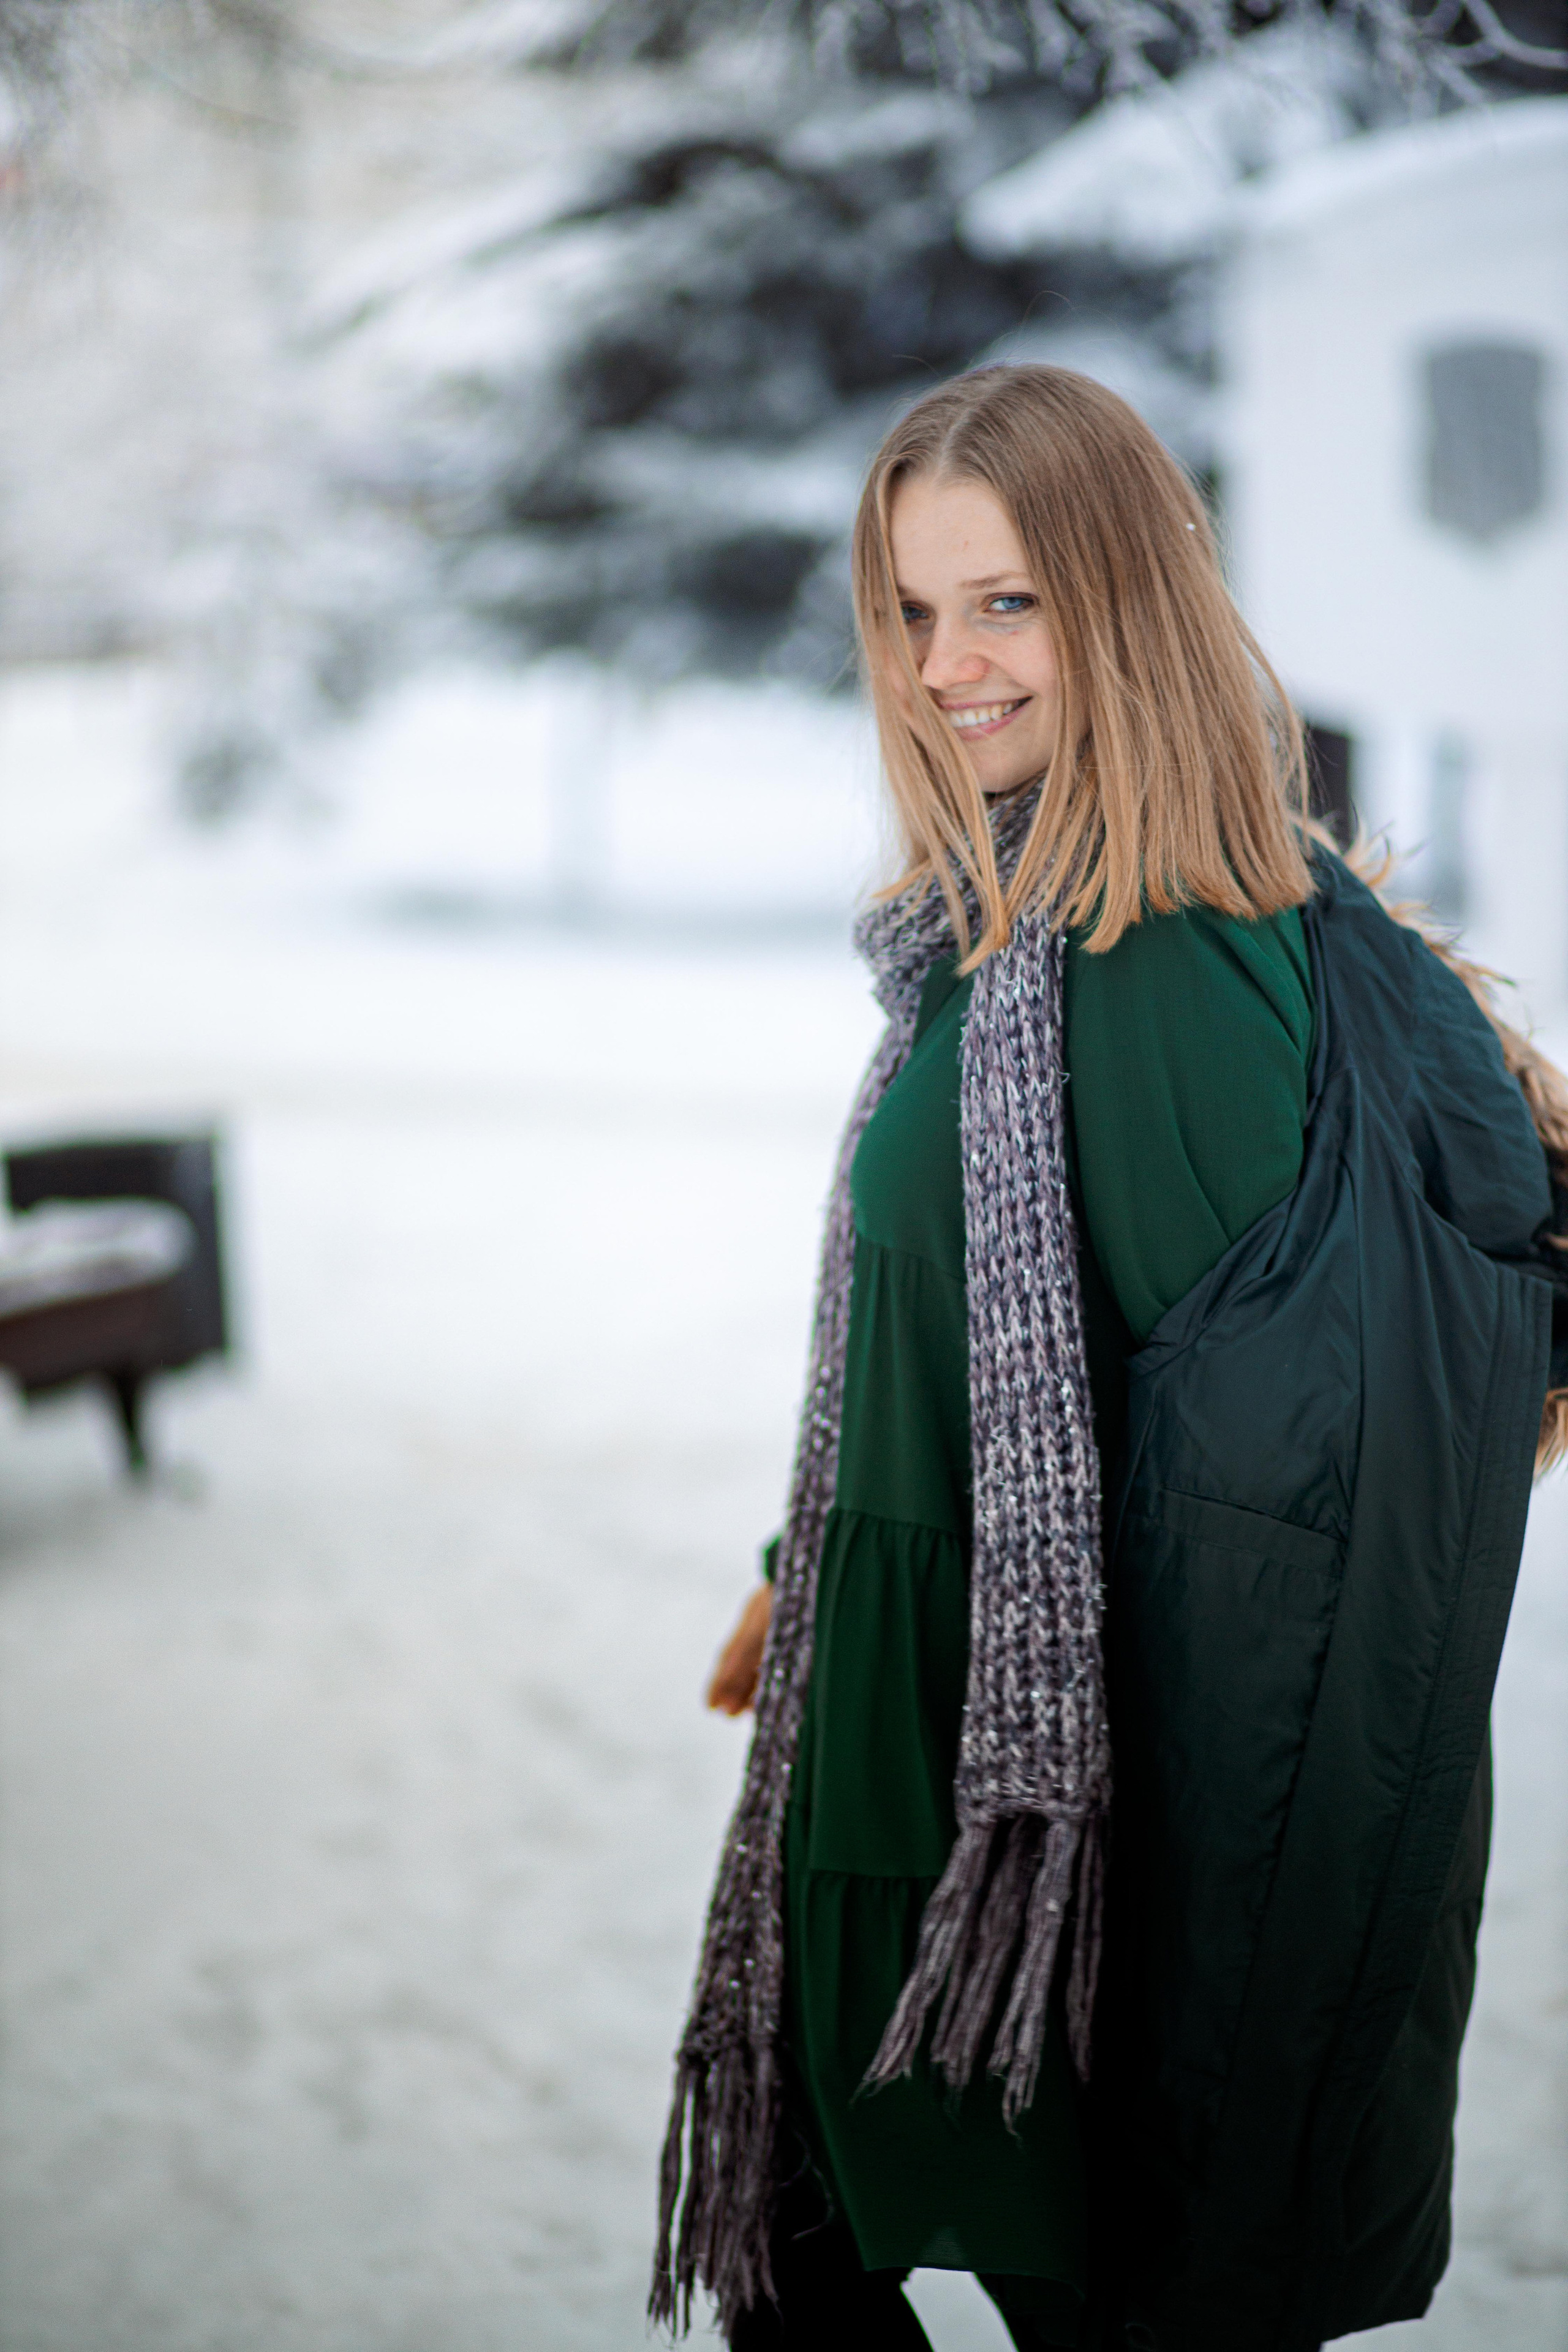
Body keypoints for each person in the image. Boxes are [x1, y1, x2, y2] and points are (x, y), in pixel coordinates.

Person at [650, 365, 1568, 2352]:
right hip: (902, 1714)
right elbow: (988, 1339)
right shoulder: (1002, 919)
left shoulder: (1158, 960)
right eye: (911, 610)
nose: (946, 664)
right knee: (809, 2267)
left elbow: (1281, 1492)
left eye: (1007, 603)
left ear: (1126, 601)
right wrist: (798, 1570)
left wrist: (1202, 1968)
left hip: (1043, 1818)